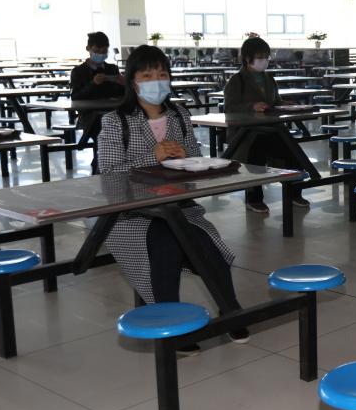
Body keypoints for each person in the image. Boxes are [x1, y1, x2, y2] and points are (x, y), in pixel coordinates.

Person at [97, 45, 248, 346]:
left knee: (205, 245)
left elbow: (196, 156)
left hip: (178, 207)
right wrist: (151, 157)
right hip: (132, 214)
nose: (156, 81)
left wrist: (185, 156)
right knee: (166, 244)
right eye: (147, 75)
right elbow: (109, 173)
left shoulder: (179, 114)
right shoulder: (116, 121)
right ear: (132, 81)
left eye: (162, 74)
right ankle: (171, 324)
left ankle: (231, 310)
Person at [223, 36, 307, 213]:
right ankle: (254, 198)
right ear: (247, 59)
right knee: (255, 155)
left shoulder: (269, 78)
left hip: (270, 130)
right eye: (260, 57)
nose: (264, 61)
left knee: (293, 153)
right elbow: (229, 108)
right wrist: (251, 106)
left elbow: (275, 102)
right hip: (246, 135)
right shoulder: (237, 81)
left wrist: (286, 105)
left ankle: (294, 192)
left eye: (266, 57)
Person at [70, 32, 125, 170]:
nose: (101, 54)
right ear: (88, 49)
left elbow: (121, 95)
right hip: (90, 117)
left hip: (113, 112)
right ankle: (102, 163)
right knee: (105, 131)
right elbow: (76, 97)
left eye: (104, 51)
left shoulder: (112, 69)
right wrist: (93, 84)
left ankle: (109, 161)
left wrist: (124, 84)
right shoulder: (79, 71)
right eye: (97, 51)